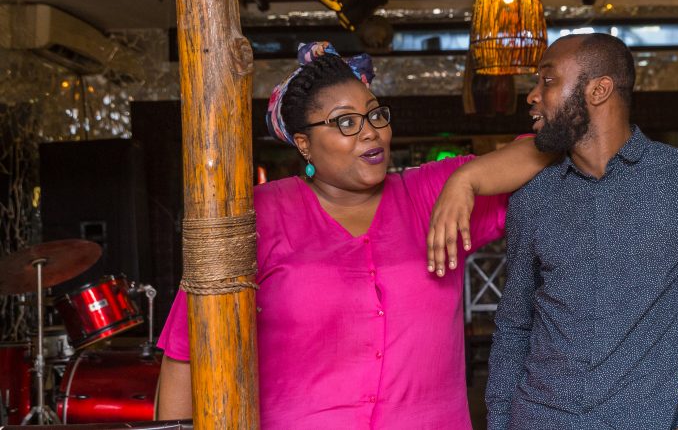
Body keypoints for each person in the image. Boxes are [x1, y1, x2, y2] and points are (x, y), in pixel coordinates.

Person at [156, 42, 552, 429]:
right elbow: (186, 352)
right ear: (304, 144)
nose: (371, 133)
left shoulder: (431, 193)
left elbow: (545, 149)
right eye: (346, 122)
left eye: (376, 115)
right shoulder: (257, 214)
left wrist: (466, 180)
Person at [485, 33, 678, 430]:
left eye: (548, 80)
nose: (533, 95)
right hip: (536, 418)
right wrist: (500, 423)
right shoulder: (533, 194)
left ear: (599, 90)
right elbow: (514, 324)